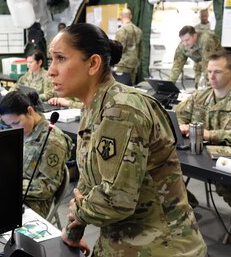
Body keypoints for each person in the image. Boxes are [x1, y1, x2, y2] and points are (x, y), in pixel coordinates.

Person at [48, 23, 207, 256]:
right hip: (120, 243)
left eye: (60, 58)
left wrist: (79, 209)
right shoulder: (94, 107)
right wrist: (72, 233)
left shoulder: (122, 110)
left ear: (93, 63)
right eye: (51, 59)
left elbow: (116, 200)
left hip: (160, 247)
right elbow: (90, 183)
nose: (51, 70)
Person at [0, 90, 72, 218]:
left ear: (30, 111)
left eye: (16, 123)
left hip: (34, 202)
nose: (14, 129)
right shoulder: (27, 131)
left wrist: (11, 185)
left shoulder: (52, 141)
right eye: (10, 125)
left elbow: (47, 187)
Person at [175, 49, 231, 206]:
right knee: (161, 169)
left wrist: (211, 135)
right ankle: (187, 203)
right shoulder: (200, 96)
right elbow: (177, 114)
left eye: (218, 72)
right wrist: (181, 125)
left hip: (225, 162)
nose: (211, 77)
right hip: (200, 157)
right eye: (209, 71)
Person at [114, 8, 143, 84]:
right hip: (134, 64)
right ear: (130, 16)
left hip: (123, 65)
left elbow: (118, 48)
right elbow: (141, 50)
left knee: (121, 88)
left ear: (121, 16)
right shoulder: (138, 30)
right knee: (130, 88)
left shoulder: (122, 30)